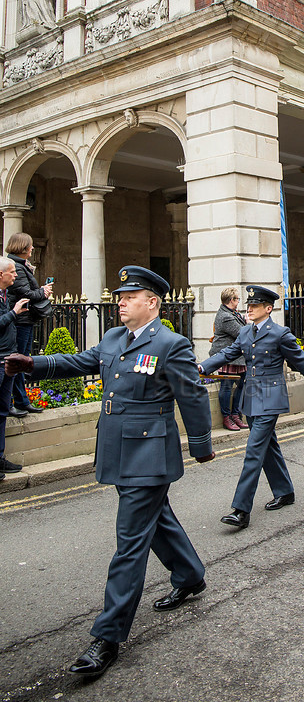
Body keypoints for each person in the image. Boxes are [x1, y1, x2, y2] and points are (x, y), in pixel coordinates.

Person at [5, 266, 215, 679]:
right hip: (117, 450)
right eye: (120, 295)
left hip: (149, 456)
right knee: (157, 520)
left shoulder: (171, 344)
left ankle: (108, 635)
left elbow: (191, 394)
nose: (120, 301)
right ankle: (190, 575)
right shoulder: (114, 337)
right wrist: (32, 362)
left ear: (152, 303)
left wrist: (201, 444)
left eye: (130, 295)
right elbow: (80, 361)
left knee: (130, 542)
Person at [199, 285, 304, 529]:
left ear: (268, 309)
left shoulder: (280, 333)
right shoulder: (246, 332)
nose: (250, 309)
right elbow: (227, 353)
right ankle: (285, 491)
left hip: (270, 398)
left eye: (255, 306)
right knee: (269, 446)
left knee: (253, 451)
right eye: (249, 305)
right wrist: (204, 367)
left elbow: (300, 359)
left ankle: (241, 510)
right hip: (250, 397)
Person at [5, 232, 53, 417]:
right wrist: (42, 291)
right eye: (30, 246)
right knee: (17, 361)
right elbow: (26, 293)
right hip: (20, 320)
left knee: (21, 361)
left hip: (25, 319)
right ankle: (14, 402)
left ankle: (21, 401)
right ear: (23, 247)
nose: (33, 249)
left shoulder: (20, 266)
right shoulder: (15, 266)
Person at [0, 257, 30, 479]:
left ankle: (0, 459)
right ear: (1, 275)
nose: (16, 275)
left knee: (2, 411)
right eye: (12, 272)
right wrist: (13, 313)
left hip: (7, 359)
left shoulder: (5, 295)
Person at [210, 287, 248, 431]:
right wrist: (248, 322)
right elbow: (241, 332)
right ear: (231, 300)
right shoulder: (225, 316)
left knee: (242, 383)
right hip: (226, 356)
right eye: (237, 299)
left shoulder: (232, 313)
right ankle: (227, 417)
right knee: (226, 387)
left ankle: (236, 414)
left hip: (237, 357)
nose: (238, 301)